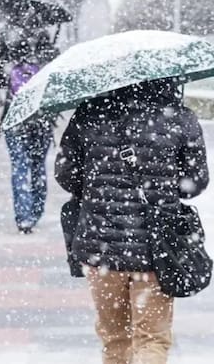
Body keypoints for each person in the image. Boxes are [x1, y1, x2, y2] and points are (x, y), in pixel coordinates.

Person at [55, 78, 209, 364]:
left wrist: (99, 189)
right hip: (155, 248)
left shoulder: (89, 114)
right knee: (151, 338)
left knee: (115, 338)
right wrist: (163, 185)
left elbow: (66, 176)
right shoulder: (179, 117)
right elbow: (195, 184)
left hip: (100, 248)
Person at [2, 31, 59, 234]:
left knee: (19, 166)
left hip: (16, 119)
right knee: (38, 167)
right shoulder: (49, 51)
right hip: (41, 121)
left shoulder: (10, 46)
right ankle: (36, 211)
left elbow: (0, 80)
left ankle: (23, 216)